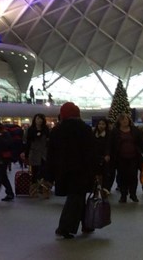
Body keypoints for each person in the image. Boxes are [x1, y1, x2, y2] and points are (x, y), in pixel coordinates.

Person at [48, 102, 95, 239]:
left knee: (77, 197)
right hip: (82, 170)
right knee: (76, 198)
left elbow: (51, 153)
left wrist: (49, 173)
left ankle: (86, 224)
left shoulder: (57, 130)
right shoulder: (85, 129)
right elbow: (91, 151)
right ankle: (64, 227)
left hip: (64, 170)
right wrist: (95, 170)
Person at [111, 113, 143, 203]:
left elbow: (141, 142)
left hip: (133, 157)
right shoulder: (115, 131)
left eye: (126, 119)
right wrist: (108, 154)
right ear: (119, 122)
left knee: (133, 176)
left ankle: (133, 194)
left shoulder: (135, 130)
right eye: (122, 120)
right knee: (122, 176)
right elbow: (110, 144)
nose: (125, 121)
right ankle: (123, 195)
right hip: (120, 158)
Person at [22, 113, 50, 190]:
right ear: (34, 120)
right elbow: (27, 143)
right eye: (38, 118)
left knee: (44, 172)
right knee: (35, 172)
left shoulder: (46, 130)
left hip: (44, 154)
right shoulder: (30, 130)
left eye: (41, 119)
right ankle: (34, 188)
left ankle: (43, 188)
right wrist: (26, 154)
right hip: (34, 154)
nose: (39, 120)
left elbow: (48, 142)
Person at [91, 118, 114, 193]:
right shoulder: (94, 134)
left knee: (105, 173)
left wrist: (107, 154)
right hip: (95, 156)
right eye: (99, 124)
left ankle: (105, 188)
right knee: (95, 173)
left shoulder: (109, 134)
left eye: (103, 124)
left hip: (105, 157)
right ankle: (96, 187)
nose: (101, 126)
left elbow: (109, 145)